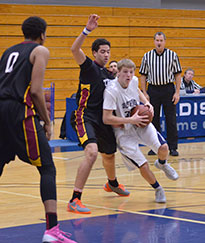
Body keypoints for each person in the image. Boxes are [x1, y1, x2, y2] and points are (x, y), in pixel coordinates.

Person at [0, 16, 76, 243]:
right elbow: (35, 90)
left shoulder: (7, 52)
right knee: (47, 168)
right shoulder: (40, 51)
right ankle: (52, 231)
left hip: (1, 110)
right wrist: (47, 121)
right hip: (18, 112)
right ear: (42, 34)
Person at [67, 14, 129, 214]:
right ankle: (75, 199)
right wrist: (87, 31)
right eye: (102, 52)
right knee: (92, 152)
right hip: (84, 116)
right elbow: (74, 49)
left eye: (108, 52)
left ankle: (111, 183)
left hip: (102, 119)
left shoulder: (109, 75)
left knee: (109, 154)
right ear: (94, 53)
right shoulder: (88, 67)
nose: (106, 55)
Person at [103, 59, 179, 203]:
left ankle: (162, 163)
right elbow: (106, 118)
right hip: (123, 131)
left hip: (139, 122)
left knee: (163, 147)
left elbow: (137, 91)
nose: (129, 75)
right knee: (143, 164)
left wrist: (147, 103)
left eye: (131, 72)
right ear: (118, 73)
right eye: (125, 72)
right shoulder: (111, 91)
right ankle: (158, 189)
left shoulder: (134, 80)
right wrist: (130, 120)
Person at [139, 32, 182, 156]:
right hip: (153, 89)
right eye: (157, 40)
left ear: (164, 41)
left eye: (161, 40)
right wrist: (144, 92)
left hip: (168, 89)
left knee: (171, 119)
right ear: (154, 41)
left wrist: (177, 92)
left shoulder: (172, 55)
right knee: (153, 119)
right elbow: (143, 75)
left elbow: (178, 74)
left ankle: (173, 147)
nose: (159, 42)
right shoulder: (147, 56)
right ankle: (155, 146)